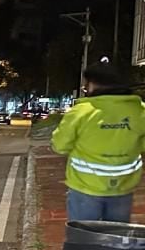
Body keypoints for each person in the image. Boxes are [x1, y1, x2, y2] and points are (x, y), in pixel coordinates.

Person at [50, 63, 145, 222]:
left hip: (85, 187)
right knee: (116, 238)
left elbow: (60, 145)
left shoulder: (81, 112)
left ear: (93, 84)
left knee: (83, 238)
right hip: (123, 187)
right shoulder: (140, 110)